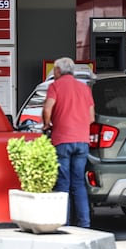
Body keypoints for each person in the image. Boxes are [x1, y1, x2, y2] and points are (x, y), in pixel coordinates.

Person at [42, 57, 95, 228]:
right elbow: (91, 117)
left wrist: (47, 124)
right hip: (82, 141)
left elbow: (47, 108)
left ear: (58, 70)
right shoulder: (84, 88)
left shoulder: (55, 86)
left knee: (63, 183)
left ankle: (63, 223)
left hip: (62, 140)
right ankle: (84, 224)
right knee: (79, 182)